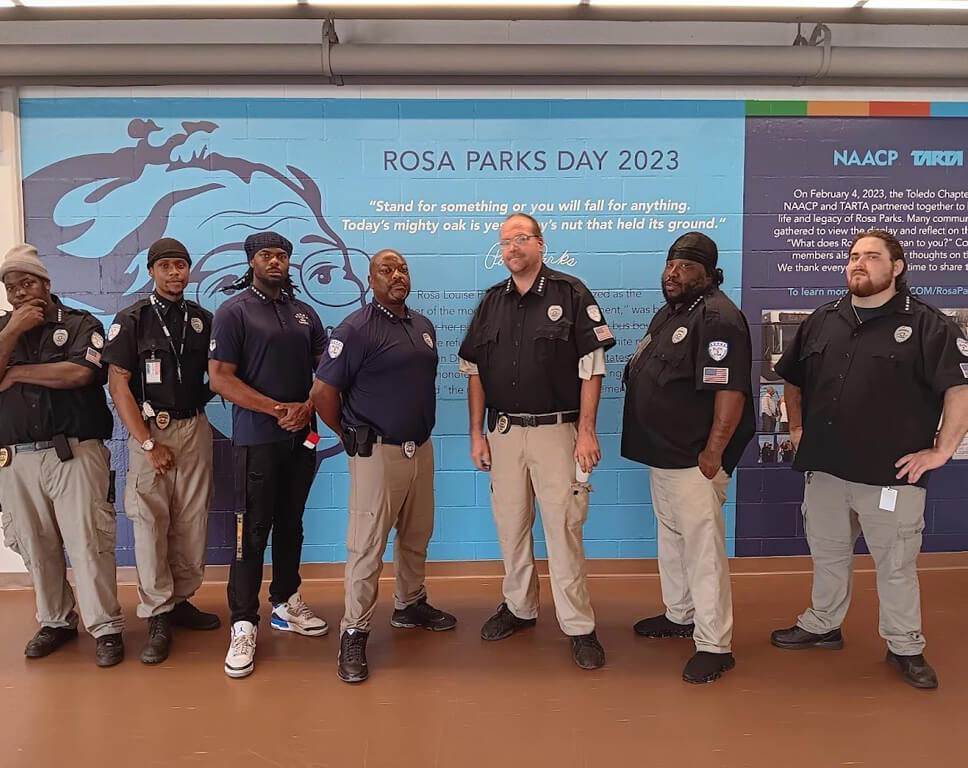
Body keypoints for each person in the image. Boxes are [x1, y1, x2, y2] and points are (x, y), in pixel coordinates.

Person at [770, 230, 968, 690]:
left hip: (890, 477)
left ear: (897, 267)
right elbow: (792, 379)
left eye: (872, 256)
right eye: (854, 256)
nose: (859, 263)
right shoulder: (823, 319)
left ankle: (904, 645)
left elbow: (959, 391)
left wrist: (941, 451)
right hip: (825, 470)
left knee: (895, 565)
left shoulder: (927, 325)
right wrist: (796, 429)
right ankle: (823, 624)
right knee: (828, 554)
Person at [458, 213, 615, 671]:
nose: (512, 248)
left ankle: (579, 625)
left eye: (521, 239)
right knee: (510, 526)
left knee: (563, 528)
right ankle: (520, 607)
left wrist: (586, 430)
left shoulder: (570, 293)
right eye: (505, 242)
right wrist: (476, 434)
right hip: (503, 433)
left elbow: (593, 365)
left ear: (541, 244)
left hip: (557, 433)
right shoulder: (491, 303)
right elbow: (474, 372)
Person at [0, 244, 125, 667]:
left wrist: (13, 373)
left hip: (73, 452)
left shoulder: (78, 323)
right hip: (14, 459)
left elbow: (79, 373)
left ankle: (105, 627)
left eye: (27, 283)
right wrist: (12, 332)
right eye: (11, 287)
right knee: (35, 544)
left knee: (88, 541)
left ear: (46, 284)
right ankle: (56, 621)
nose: (19, 293)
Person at [311, 249, 456, 684]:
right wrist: (347, 432)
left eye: (402, 269)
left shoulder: (422, 326)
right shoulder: (354, 329)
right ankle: (354, 630)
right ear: (370, 279)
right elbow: (322, 393)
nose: (397, 275)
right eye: (386, 270)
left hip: (420, 449)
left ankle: (410, 604)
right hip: (377, 453)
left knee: (416, 535)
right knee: (367, 546)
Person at [620, 232, 755, 683]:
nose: (673, 273)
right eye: (670, 264)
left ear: (708, 273)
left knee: (702, 550)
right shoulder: (672, 312)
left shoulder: (719, 318)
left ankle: (715, 644)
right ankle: (680, 614)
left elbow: (729, 393)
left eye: (685, 266)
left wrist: (713, 452)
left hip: (696, 460)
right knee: (672, 539)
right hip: (664, 455)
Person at [209, 232, 329, 679]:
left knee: (291, 523)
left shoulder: (303, 313)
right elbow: (221, 378)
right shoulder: (234, 311)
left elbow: (327, 370)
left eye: (282, 255)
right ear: (252, 261)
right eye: (267, 255)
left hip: (302, 437)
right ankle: (243, 622)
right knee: (251, 530)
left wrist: (309, 407)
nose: (276, 261)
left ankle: (285, 603)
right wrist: (276, 409)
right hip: (257, 437)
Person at [102, 237, 221, 665]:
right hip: (151, 431)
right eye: (166, 266)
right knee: (150, 521)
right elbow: (118, 385)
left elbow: (220, 373)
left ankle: (181, 598)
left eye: (182, 266)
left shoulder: (202, 320)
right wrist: (148, 444)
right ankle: (156, 612)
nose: (175, 273)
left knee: (192, 519)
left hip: (194, 428)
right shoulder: (132, 319)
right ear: (152, 270)